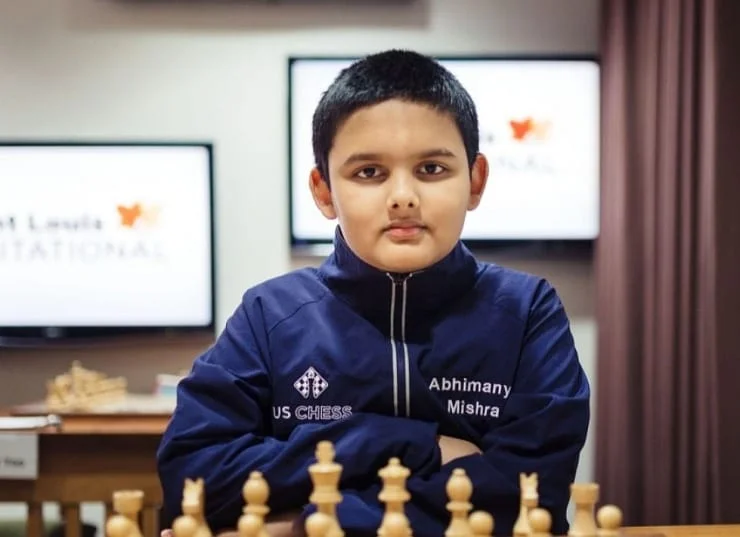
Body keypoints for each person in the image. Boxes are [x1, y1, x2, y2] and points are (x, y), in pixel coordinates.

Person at [157, 49, 590, 537]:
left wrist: (308, 525)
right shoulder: (269, 315)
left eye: (431, 169)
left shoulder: (526, 311)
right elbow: (193, 477)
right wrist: (404, 443)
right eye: (369, 173)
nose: (403, 196)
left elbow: (528, 494)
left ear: (475, 180)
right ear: (324, 191)